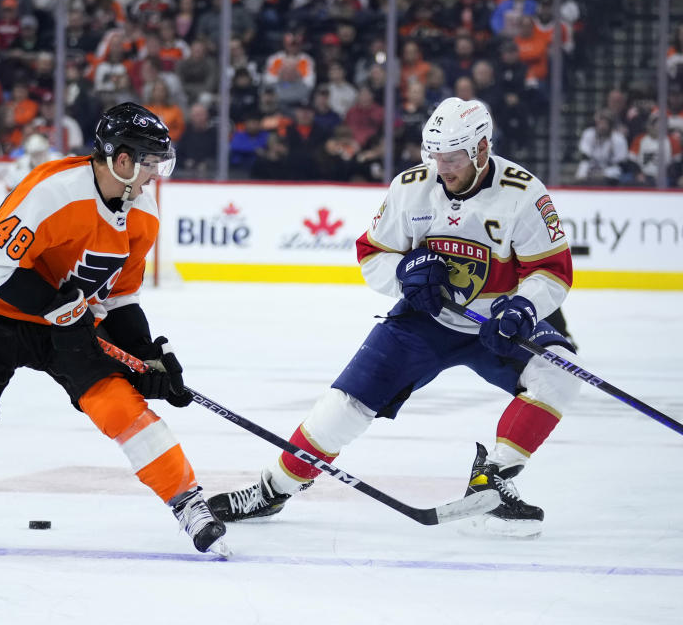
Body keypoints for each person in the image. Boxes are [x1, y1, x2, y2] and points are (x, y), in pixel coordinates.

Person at [0, 103, 228, 556]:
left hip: (69, 327)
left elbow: (119, 298)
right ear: (122, 160)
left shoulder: (144, 212)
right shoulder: (53, 190)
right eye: (151, 162)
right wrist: (58, 307)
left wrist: (146, 354)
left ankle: (187, 502)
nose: (156, 173)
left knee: (121, 408)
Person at [209, 98, 580, 537]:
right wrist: (404, 277)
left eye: (453, 157)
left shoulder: (523, 192)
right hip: (424, 319)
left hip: (495, 321)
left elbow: (552, 271)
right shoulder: (411, 187)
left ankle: (492, 478)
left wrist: (525, 305)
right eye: (435, 155)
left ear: (482, 149)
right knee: (343, 406)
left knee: (562, 371)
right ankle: (273, 489)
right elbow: (373, 254)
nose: (442, 167)